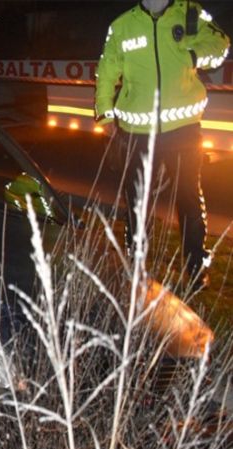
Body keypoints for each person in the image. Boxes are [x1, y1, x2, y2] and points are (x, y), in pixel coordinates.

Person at [95, 0, 229, 290]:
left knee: (189, 200)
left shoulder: (190, 13)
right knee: (137, 202)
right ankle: (136, 267)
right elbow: (107, 69)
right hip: (137, 132)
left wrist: (194, 55)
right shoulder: (122, 25)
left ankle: (196, 269)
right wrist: (105, 114)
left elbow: (220, 43)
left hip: (182, 130)